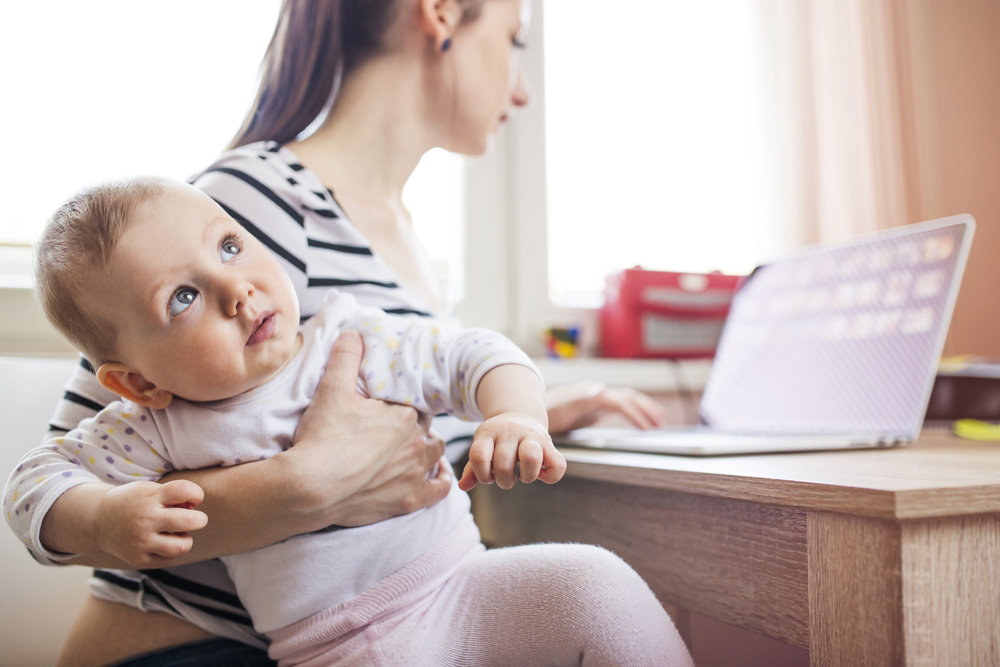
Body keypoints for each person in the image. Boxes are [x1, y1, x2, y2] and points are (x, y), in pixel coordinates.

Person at [6, 0, 673, 664]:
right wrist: (310, 483)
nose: (523, 88)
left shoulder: (396, 246)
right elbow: (80, 503)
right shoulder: (260, 198)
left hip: (425, 599)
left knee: (596, 586)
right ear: (440, 13)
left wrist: (521, 409)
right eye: (514, 39)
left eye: (233, 253)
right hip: (207, 647)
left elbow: (387, 424)